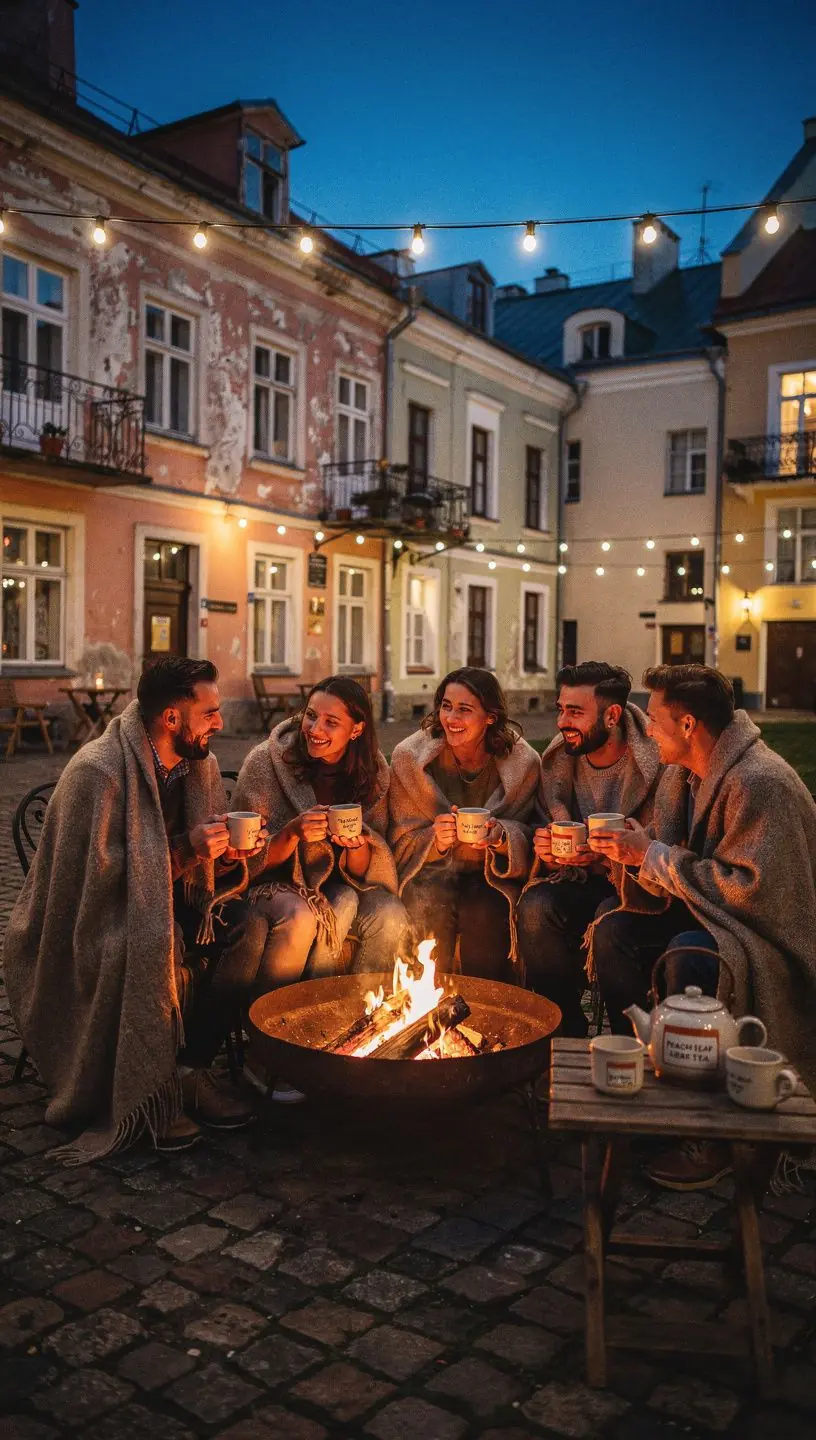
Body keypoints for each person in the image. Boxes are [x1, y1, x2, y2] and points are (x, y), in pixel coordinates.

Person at [3, 657, 266, 1163]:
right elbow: (91, 886)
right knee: (149, 941)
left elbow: (201, 871)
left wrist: (227, 854)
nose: (219, 722)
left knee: (250, 926)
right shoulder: (98, 772)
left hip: (172, 897)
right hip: (92, 916)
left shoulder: (200, 764)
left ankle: (190, 1070)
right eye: (209, 713)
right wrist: (188, 849)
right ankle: (149, 1089)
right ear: (171, 718)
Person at [587, 664, 816, 1190]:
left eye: (655, 719)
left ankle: (710, 1133)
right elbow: (673, 851)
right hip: (710, 915)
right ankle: (646, 1076)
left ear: (688, 724)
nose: (648, 730)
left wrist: (652, 854)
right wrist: (636, 848)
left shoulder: (759, 782)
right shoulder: (683, 773)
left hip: (766, 939)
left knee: (690, 954)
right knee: (612, 931)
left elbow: (753, 893)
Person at [233, 677, 407, 1002]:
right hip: (281, 886)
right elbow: (246, 862)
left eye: (331, 722)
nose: (315, 729)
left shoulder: (374, 772)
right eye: (311, 716)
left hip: (343, 886)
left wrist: (357, 846)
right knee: (341, 902)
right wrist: (292, 833)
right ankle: (309, 1010)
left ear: (356, 730)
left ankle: (363, 1013)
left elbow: (364, 872)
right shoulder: (266, 762)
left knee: (390, 913)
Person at [516, 662, 661, 1035]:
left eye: (575, 712)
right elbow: (544, 822)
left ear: (612, 716)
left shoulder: (656, 762)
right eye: (561, 710)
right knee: (535, 906)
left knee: (609, 919)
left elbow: (667, 839)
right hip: (580, 877)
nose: (562, 722)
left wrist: (612, 857)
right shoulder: (558, 760)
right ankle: (562, 1031)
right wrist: (547, 852)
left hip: (639, 887)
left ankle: (629, 1042)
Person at [388, 667, 539, 981]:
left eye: (465, 710)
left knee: (485, 910)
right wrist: (435, 840)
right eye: (446, 706)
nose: (451, 718)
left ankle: (483, 1003)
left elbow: (531, 834)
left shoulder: (522, 763)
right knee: (427, 902)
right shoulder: (409, 760)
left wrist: (502, 837)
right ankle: (429, 1004)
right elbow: (398, 839)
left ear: (490, 717)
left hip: (489, 875)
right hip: (431, 872)